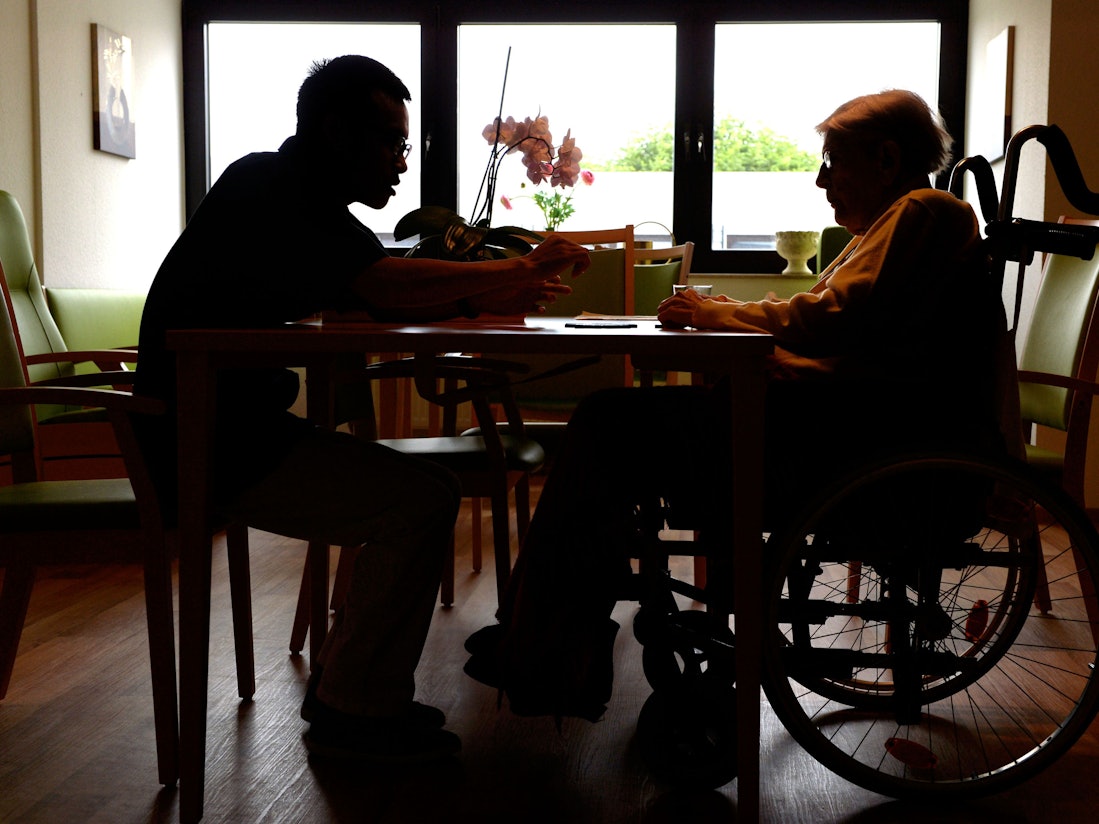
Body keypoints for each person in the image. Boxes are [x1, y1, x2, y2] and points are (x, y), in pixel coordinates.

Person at [463, 89, 1009, 720]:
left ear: (886, 158)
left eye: (833, 161)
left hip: (846, 445)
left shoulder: (924, 210)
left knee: (607, 424)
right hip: (845, 427)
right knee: (614, 429)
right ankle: (548, 640)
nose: (820, 179)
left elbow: (831, 319)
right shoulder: (900, 224)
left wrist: (716, 313)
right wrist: (738, 325)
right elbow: (852, 336)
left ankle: (546, 645)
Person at [133, 55, 589, 763]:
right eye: (394, 144)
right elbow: (383, 283)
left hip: (241, 431)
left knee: (427, 492)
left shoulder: (302, 199)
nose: (403, 164)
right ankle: (353, 705)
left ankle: (351, 692)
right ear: (339, 134)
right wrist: (518, 268)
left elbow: (369, 294)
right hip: (205, 446)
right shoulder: (267, 188)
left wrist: (475, 295)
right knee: (417, 500)